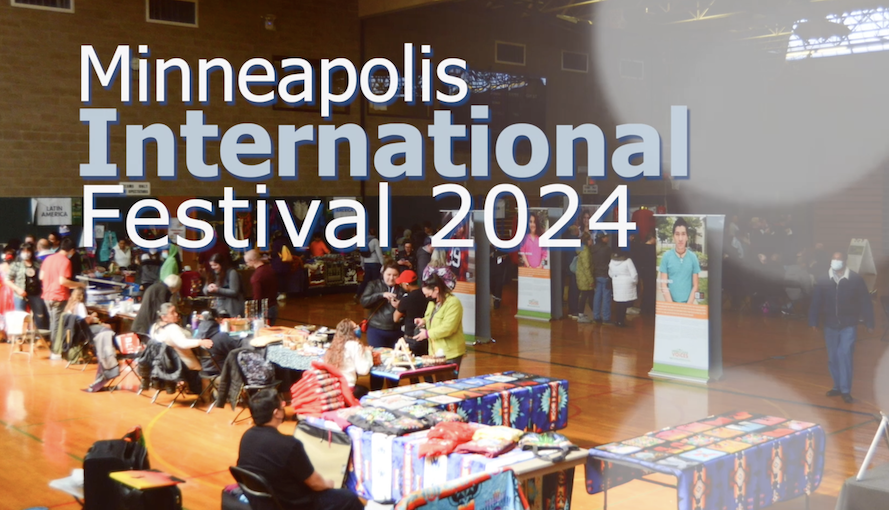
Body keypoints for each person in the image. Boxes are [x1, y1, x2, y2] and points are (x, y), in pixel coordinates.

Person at [237, 389, 364, 510]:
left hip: (264, 502)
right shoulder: (288, 445)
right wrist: (329, 483)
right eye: (282, 406)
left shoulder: (247, 437)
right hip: (292, 505)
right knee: (348, 498)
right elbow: (316, 484)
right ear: (276, 413)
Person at [808, 251, 874, 404]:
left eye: (838, 259)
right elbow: (816, 300)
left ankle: (845, 390)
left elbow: (865, 301)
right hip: (830, 324)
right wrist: (813, 320)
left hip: (848, 324)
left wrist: (869, 322)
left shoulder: (855, 279)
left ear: (845, 261)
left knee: (844, 355)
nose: (835, 261)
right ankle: (837, 386)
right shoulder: (824, 279)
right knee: (833, 357)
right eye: (833, 258)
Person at [150, 303, 214, 396]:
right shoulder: (172, 328)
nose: (176, 314)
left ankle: (188, 387)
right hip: (183, 365)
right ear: (164, 317)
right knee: (207, 365)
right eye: (172, 312)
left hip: (166, 365)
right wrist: (201, 342)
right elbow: (183, 344)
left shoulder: (154, 327)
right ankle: (206, 397)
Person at [41, 237, 86, 359]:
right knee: (57, 324)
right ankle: (55, 351)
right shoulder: (65, 261)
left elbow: (41, 276)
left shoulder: (48, 259)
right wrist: (80, 284)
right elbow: (63, 281)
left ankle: (54, 348)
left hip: (47, 295)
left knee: (53, 322)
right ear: (71, 250)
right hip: (59, 296)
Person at [413, 274, 465, 377]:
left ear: (436, 289)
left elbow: (448, 328)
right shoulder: (432, 303)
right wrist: (423, 321)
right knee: (439, 382)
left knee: (448, 382)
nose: (427, 297)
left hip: (450, 353)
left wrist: (427, 334)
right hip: (435, 352)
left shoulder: (453, 303)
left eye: (428, 294)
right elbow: (430, 317)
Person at [323, 319, 373, 399]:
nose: (358, 328)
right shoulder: (354, 345)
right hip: (347, 388)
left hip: (333, 386)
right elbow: (363, 371)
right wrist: (368, 353)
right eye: (356, 327)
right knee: (365, 391)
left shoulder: (333, 345)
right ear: (351, 332)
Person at [360, 262, 404, 351]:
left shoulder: (402, 288)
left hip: (397, 330)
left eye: (395, 275)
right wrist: (381, 295)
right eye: (388, 274)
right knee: (377, 355)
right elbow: (364, 302)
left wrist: (400, 306)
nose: (391, 278)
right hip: (376, 329)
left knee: (396, 357)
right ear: (383, 273)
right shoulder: (373, 284)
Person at [6, 242, 49, 330]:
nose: (26, 253)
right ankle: (20, 336)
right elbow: (7, 280)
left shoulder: (38, 263)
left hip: (36, 294)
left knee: (40, 316)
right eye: (23, 251)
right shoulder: (16, 264)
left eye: (28, 251)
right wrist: (17, 289)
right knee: (20, 317)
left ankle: (41, 335)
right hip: (20, 295)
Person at [658, 218, 701, 304]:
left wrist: (687, 307)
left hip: (688, 305)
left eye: (683, 234)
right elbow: (663, 285)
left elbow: (695, 286)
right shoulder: (666, 257)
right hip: (671, 304)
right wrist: (672, 306)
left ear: (687, 237)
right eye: (677, 234)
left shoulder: (693, 257)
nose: (680, 238)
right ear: (673, 236)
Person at [392, 270, 428, 354]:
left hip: (411, 337)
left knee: (409, 360)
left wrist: (399, 306)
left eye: (401, 284)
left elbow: (395, 318)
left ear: (406, 284)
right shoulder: (426, 294)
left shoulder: (406, 299)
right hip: (425, 335)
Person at [244, 249, 279, 325]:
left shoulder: (256, 276)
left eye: (247, 262)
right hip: (273, 307)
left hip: (263, 311)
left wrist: (253, 313)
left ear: (252, 261)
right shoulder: (270, 269)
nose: (246, 265)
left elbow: (257, 297)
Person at [205, 252, 244, 317]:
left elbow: (234, 291)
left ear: (222, 264)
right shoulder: (212, 274)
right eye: (211, 265)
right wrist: (208, 288)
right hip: (218, 307)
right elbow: (204, 290)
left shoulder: (231, 273)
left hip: (232, 307)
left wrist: (217, 290)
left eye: (215, 265)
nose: (213, 267)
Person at [355, 228, 384, 303]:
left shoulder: (364, 241)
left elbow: (362, 254)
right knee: (376, 281)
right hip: (375, 264)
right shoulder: (375, 241)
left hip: (366, 264)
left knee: (365, 281)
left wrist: (362, 264)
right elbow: (379, 254)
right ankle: (375, 298)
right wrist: (383, 264)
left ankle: (357, 294)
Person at [609, 252, 638, 327]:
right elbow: (634, 274)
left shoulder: (612, 261)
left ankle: (618, 320)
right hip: (627, 284)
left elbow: (610, 273)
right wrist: (635, 282)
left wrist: (616, 278)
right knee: (624, 304)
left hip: (616, 283)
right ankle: (621, 321)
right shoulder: (628, 261)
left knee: (618, 303)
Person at [591, 232, 613, 323]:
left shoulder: (593, 248)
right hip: (605, 274)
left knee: (597, 296)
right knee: (606, 297)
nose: (608, 238)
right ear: (602, 238)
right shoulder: (607, 249)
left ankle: (596, 316)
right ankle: (606, 317)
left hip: (596, 274)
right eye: (606, 237)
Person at [575, 233, 595, 323]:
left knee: (588, 295)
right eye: (590, 239)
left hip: (582, 276)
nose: (592, 241)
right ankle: (581, 314)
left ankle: (593, 313)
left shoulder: (581, 249)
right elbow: (587, 267)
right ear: (587, 240)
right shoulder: (586, 251)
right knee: (585, 295)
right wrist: (591, 280)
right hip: (585, 278)